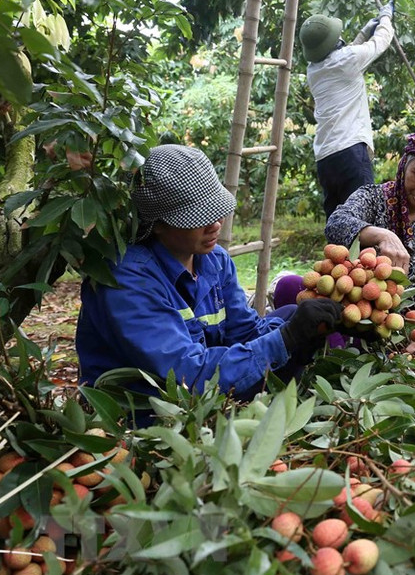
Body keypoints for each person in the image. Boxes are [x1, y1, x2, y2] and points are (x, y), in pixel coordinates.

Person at [76, 144, 342, 408]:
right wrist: (288, 338)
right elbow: (186, 377)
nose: (215, 224)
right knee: (286, 332)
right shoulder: (125, 280)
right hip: (151, 410)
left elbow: (246, 332)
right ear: (156, 224)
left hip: (203, 394)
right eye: (197, 217)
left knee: (292, 315)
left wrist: (315, 325)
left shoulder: (214, 260)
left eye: (215, 211)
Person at [275, 132, 415, 359]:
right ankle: (338, 363)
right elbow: (336, 223)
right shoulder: (372, 197)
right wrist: (382, 235)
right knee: (289, 287)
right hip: (361, 320)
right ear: (403, 167)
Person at [299, 3, 395, 218]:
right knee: (364, 220)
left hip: (326, 157)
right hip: (350, 151)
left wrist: (363, 32)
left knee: (339, 223)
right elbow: (381, 41)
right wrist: (386, 17)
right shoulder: (348, 60)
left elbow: (344, 54)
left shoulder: (313, 70)